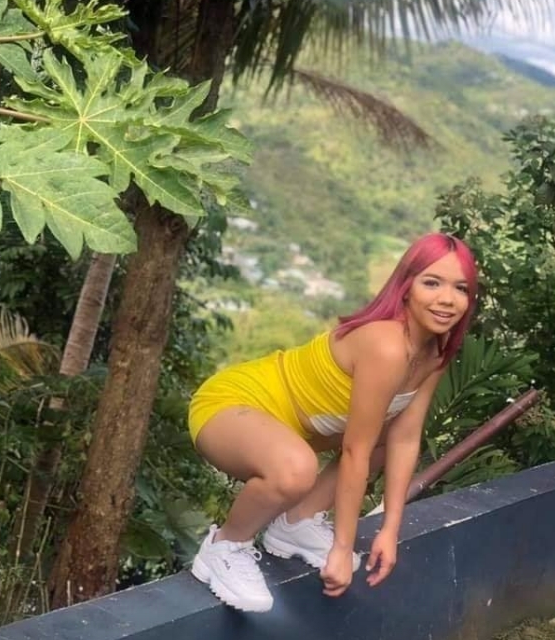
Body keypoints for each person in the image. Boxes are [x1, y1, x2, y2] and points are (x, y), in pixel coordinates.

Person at [187, 232, 478, 612]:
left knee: (385, 435)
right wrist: (342, 548)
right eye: (432, 283)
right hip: (230, 406)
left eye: (460, 288)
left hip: (290, 432)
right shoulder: (387, 345)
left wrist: (390, 531)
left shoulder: (434, 352)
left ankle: (297, 523)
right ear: (406, 287)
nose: (447, 299)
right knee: (297, 469)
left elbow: (405, 438)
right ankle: (225, 546)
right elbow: (355, 451)